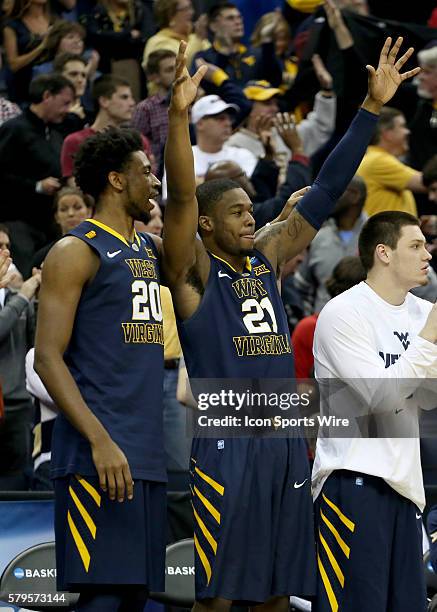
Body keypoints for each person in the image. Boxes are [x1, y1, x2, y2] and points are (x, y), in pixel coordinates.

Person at [162, 37, 419, 608]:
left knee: (281, 589)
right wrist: (178, 117)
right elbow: (180, 195)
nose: (250, 217)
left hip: (282, 431)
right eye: (235, 212)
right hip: (227, 432)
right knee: (219, 593)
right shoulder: (190, 270)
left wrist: (371, 108)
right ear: (203, 225)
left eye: (251, 207)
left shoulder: (268, 254)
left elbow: (327, 189)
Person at [34, 127, 165, 611]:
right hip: (98, 452)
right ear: (115, 180)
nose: (154, 183)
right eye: (145, 172)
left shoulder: (147, 252)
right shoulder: (75, 251)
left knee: (135, 597)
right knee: (103, 598)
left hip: (144, 452)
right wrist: (100, 440)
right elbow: (47, 357)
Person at [312, 211, 437, 612]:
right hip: (353, 483)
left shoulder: (421, 313)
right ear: (383, 253)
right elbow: (381, 400)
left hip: (407, 490)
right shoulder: (343, 313)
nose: (428, 255)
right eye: (415, 245)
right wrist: (430, 338)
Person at [0, 73, 75, 277]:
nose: (67, 109)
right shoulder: (15, 129)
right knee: (26, 276)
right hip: (18, 221)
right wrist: (36, 186)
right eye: (65, 102)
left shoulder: (56, 130)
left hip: (48, 221)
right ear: (47, 96)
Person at [61, 75, 152, 183]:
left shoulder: (139, 141)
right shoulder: (75, 141)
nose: (132, 103)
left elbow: (148, 183)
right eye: (124, 97)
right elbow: (74, 185)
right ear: (104, 101)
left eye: (131, 97)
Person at [357, 106, 426, 217]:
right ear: (387, 134)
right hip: (384, 234)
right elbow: (428, 183)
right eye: (403, 126)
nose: (407, 132)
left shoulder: (379, 159)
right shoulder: (378, 160)